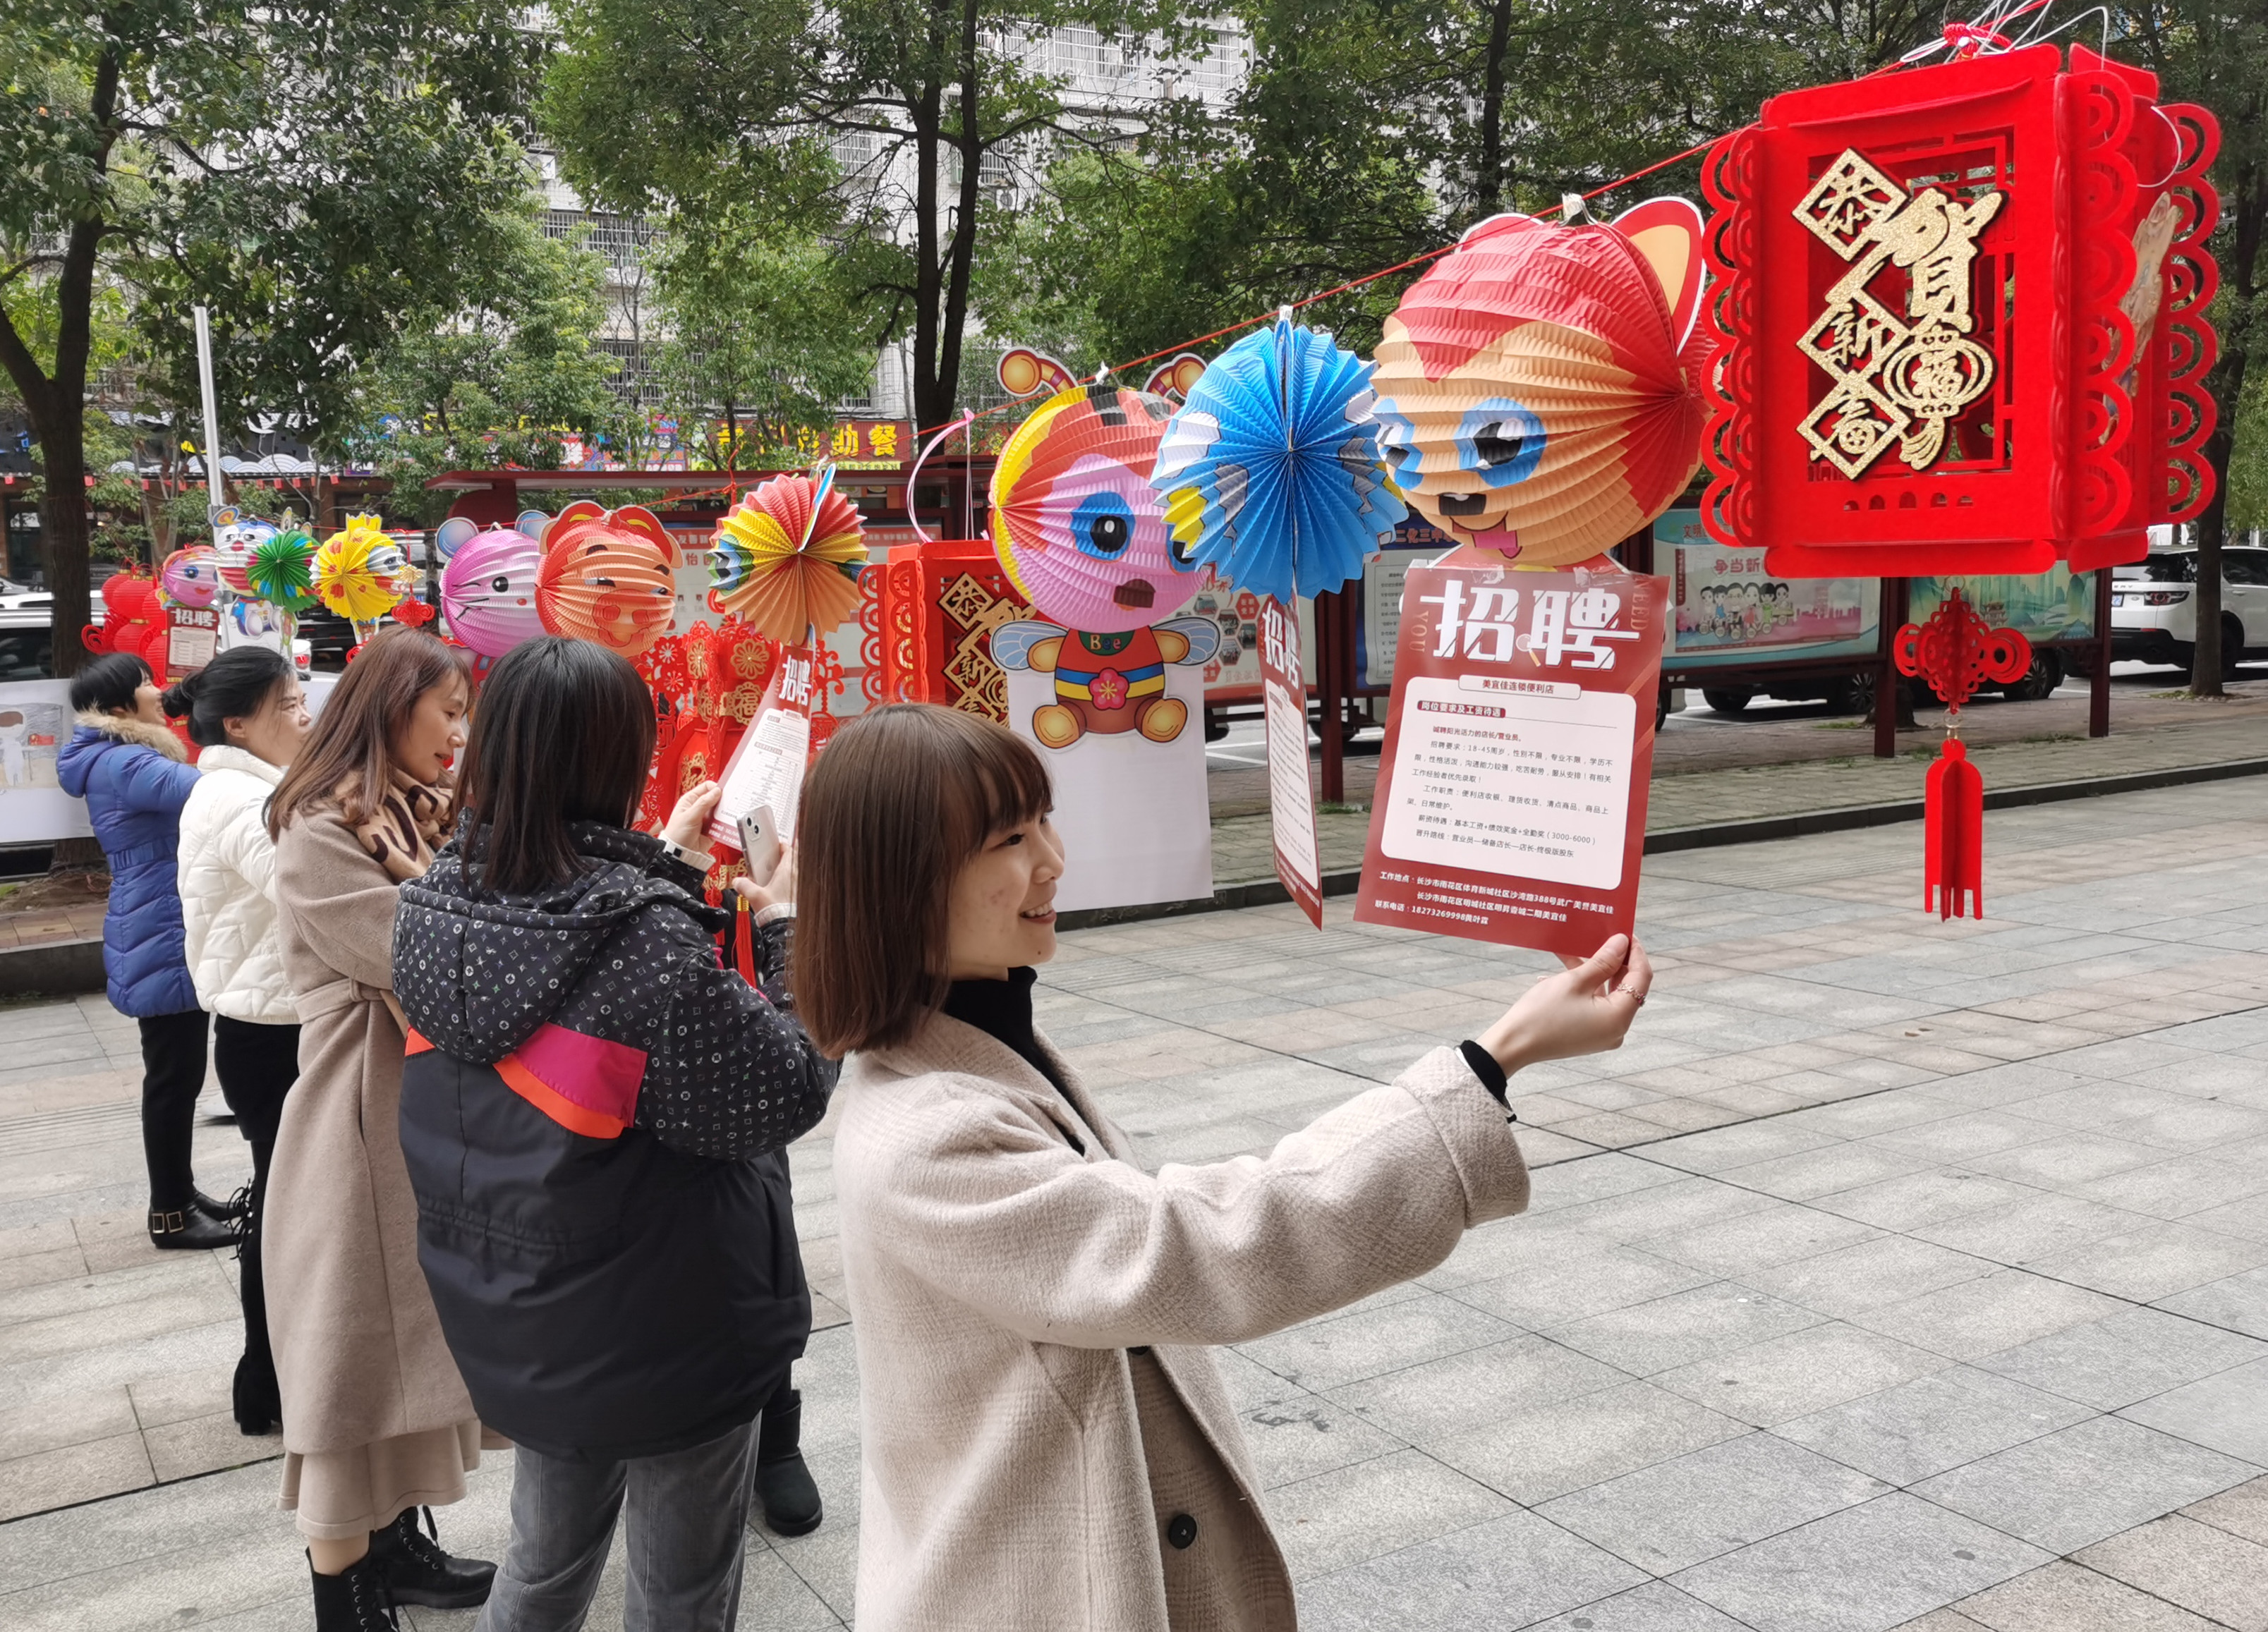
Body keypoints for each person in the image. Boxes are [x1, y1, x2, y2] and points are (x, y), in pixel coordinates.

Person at [799, 703, 1654, 1632]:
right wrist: (1494, 1057)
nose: (1050, 858)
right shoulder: (928, 1133)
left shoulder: (980, 1043)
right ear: (902, 886)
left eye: (1043, 818)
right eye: (1009, 837)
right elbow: (1196, 1247)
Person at [392, 637, 835, 1632]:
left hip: (522, 1310)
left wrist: (667, 868)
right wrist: (789, 926)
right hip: (664, 1322)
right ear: (615, 761)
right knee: (679, 1588)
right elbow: (786, 1087)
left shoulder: (432, 904)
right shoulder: (638, 945)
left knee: (544, 1559)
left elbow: (579, 994)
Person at [263, 628, 497, 1630]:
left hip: (424, 1105)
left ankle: (394, 1541)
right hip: (355, 1116)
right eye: (445, 710)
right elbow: (416, 949)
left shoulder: (424, 811)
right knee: (349, 1353)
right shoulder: (318, 827)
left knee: (411, 1341)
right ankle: (342, 1588)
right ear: (388, 706)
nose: (459, 731)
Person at [171, 646, 312, 1437]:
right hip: (274, 1033)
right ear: (237, 722)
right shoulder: (239, 798)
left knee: (281, 1203)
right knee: (286, 1209)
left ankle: (267, 1378)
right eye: (288, 705)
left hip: (270, 1026)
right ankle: (265, 1377)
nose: (304, 715)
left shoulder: (247, 787)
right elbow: (309, 893)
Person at [57, 653, 243, 1250]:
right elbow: (211, 790)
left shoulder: (118, 755)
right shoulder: (124, 761)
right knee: (173, 1076)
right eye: (143, 685)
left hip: (160, 917)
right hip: (159, 925)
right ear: (117, 709)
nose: (156, 689)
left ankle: (181, 1192)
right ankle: (170, 1212)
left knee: (177, 1073)